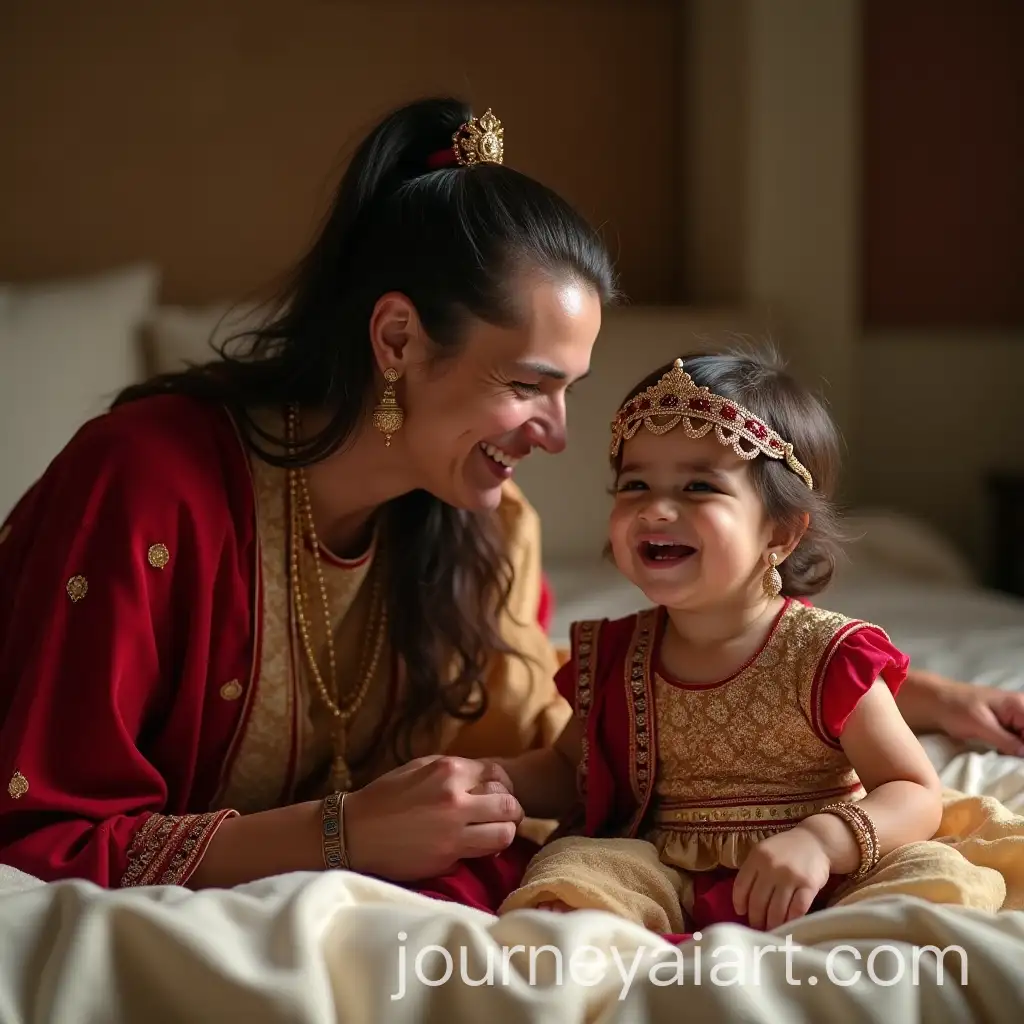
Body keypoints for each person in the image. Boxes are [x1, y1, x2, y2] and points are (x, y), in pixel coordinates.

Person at [0, 98, 1019, 898]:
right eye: (528, 383)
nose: (559, 435)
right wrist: (339, 833)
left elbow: (603, 731)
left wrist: (899, 692)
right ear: (396, 340)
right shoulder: (144, 486)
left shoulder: (483, 529)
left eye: (569, 389)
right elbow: (38, 829)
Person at [494, 353, 1004, 934]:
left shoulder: (825, 654)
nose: (656, 508)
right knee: (572, 870)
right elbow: (570, 768)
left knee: (931, 875)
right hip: (659, 863)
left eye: (698, 486)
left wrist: (823, 840)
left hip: (811, 867)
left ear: (780, 534)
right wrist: (501, 781)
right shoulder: (618, 653)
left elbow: (911, 789)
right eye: (635, 484)